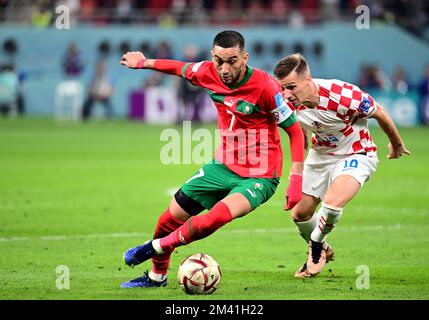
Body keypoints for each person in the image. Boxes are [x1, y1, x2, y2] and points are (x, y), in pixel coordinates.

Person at [119, 30, 305, 288]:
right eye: (219, 60)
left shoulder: (265, 87)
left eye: (232, 61)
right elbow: (179, 68)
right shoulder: (207, 72)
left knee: (215, 217)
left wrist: (296, 179)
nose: (225, 68)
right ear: (212, 57)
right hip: (222, 166)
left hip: (260, 175)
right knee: (168, 219)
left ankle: (154, 247)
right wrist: (144, 62)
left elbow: (295, 133)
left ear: (245, 57)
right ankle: (156, 277)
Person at [273, 53, 411, 278]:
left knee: (333, 201)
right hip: (321, 155)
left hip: (356, 153)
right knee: (300, 214)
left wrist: (396, 144)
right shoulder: (287, 102)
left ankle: (316, 247)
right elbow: (302, 125)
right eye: (283, 88)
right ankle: (324, 249)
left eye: (291, 87)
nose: (286, 94)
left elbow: (380, 113)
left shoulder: (343, 95)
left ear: (308, 80)